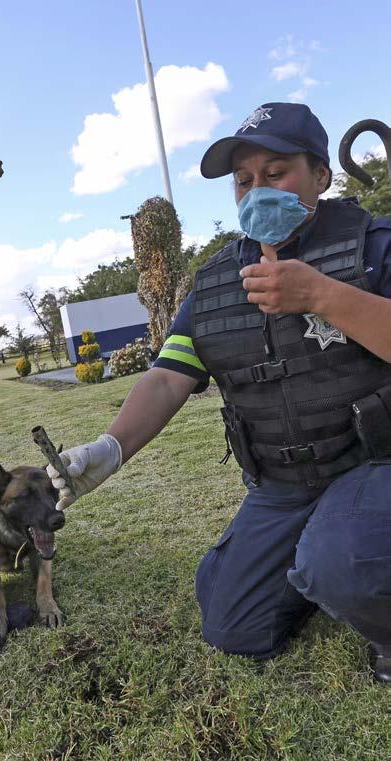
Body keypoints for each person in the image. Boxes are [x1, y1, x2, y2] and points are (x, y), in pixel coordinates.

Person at [48, 102, 391, 685]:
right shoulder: (212, 284)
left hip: (373, 461)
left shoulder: (374, 245)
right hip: (284, 484)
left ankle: (363, 591)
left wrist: (323, 296)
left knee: (343, 559)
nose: (258, 190)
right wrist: (109, 449)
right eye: (244, 180)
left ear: (321, 175)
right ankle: (329, 565)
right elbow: (168, 376)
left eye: (276, 173)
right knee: (232, 622)